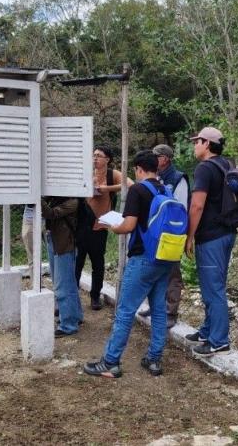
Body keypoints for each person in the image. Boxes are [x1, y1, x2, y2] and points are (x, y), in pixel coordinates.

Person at [84, 150, 175, 378]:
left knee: (125, 311)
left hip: (143, 258)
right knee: (159, 311)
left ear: (138, 169)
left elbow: (128, 226)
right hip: (164, 258)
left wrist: (110, 225)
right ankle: (153, 359)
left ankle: (110, 362)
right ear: (157, 166)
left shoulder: (138, 190)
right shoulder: (166, 189)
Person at [184, 127, 236, 357]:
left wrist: (189, 236)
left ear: (206, 144)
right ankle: (207, 330)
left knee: (213, 288)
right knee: (213, 285)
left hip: (210, 236)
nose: (194, 145)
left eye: (197, 141)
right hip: (226, 233)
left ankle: (219, 340)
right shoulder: (228, 165)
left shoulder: (205, 168)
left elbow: (197, 205)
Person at [138, 144, 190, 328]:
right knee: (154, 270)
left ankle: (170, 311)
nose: (153, 159)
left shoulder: (178, 179)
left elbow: (180, 208)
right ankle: (155, 306)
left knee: (172, 273)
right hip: (153, 232)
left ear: (165, 158)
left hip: (171, 233)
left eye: (156, 156)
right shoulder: (155, 178)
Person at [75, 146, 131, 311]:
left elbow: (129, 184)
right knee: (76, 264)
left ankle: (95, 296)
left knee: (97, 264)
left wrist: (107, 189)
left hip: (100, 226)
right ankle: (73, 299)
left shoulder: (112, 174)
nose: (95, 158)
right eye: (94, 155)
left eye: (99, 156)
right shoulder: (86, 172)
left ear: (108, 159)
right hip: (82, 224)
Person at [41, 196, 83, 337]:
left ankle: (68, 325)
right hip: (54, 242)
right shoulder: (55, 198)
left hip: (64, 246)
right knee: (66, 282)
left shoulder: (72, 202)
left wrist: (36, 197)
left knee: (63, 285)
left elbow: (51, 214)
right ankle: (76, 316)